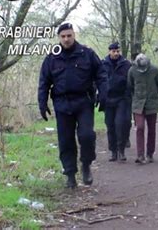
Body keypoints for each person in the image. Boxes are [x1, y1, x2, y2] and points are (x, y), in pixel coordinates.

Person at [38, 22, 108, 188]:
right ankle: (70, 173)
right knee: (66, 140)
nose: (66, 39)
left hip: (84, 101)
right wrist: (42, 102)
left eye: (69, 35)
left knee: (87, 135)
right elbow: (44, 82)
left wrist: (103, 93)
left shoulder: (87, 54)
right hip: (62, 104)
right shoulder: (51, 58)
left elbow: (101, 74)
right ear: (59, 38)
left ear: (74, 35)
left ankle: (86, 164)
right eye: (63, 36)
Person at [127, 53, 158, 164]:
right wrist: (136, 96)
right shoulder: (132, 71)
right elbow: (130, 85)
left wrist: (155, 94)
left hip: (151, 103)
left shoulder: (154, 70)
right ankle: (140, 155)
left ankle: (150, 154)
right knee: (140, 127)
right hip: (138, 104)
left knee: (151, 129)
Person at [102, 42, 132, 162]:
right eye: (114, 51)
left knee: (120, 124)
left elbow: (130, 81)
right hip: (108, 99)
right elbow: (98, 80)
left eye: (118, 51)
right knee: (110, 125)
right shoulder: (103, 64)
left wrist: (128, 96)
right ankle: (113, 151)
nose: (116, 53)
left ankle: (121, 150)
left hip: (121, 99)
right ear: (109, 51)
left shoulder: (126, 64)